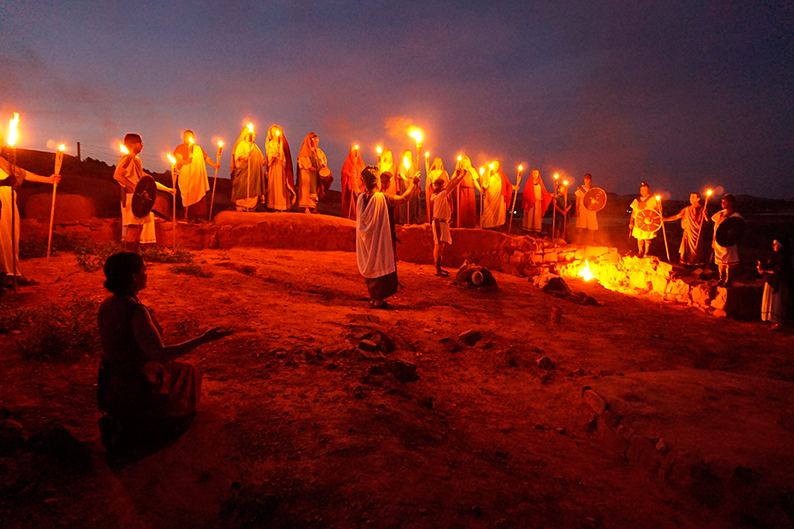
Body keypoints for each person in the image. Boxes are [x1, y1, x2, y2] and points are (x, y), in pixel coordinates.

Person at [96, 252, 232, 449]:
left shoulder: (108, 305)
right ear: (134, 276)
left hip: (110, 381)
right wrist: (203, 339)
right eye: (144, 270)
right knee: (188, 374)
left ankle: (126, 419)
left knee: (176, 370)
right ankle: (146, 423)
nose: (146, 274)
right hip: (133, 383)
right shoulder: (135, 311)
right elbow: (160, 354)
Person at [356, 165, 419, 308]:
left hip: (368, 239)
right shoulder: (381, 198)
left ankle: (373, 297)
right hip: (380, 238)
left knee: (372, 264)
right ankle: (379, 300)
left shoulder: (361, 197)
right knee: (381, 264)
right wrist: (412, 184)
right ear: (377, 182)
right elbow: (403, 199)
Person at [0, 141, 61, 287]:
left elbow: (23, 173)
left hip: (8, 205)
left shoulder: (2, 162)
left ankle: (13, 273)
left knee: (11, 240)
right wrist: (3, 182)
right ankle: (3, 276)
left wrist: (48, 179)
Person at [114, 133, 175, 253]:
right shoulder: (127, 158)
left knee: (139, 227)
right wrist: (134, 188)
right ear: (133, 144)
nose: (142, 145)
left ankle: (135, 255)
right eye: (140, 142)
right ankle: (129, 257)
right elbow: (117, 175)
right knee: (133, 228)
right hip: (131, 197)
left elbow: (148, 180)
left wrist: (168, 189)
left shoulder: (136, 160)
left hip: (139, 198)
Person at [173, 130, 219, 222]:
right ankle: (187, 217)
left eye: (190, 137)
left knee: (199, 196)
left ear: (193, 138)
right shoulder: (180, 148)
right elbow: (178, 159)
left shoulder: (198, 149)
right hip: (187, 178)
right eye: (186, 136)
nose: (188, 139)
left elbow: (206, 158)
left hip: (197, 178)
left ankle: (199, 218)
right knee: (187, 197)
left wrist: (214, 165)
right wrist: (186, 161)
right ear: (183, 138)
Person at [431, 165, 466, 276]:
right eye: (439, 185)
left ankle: (439, 267)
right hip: (439, 223)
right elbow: (452, 185)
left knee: (441, 245)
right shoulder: (440, 195)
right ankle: (437, 268)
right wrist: (462, 176)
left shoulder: (438, 195)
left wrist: (456, 175)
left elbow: (450, 184)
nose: (441, 187)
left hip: (443, 223)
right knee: (438, 245)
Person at [706, 193, 742, 286]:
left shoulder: (736, 216)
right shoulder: (719, 213)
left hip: (728, 243)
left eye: (725, 201)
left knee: (729, 262)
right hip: (718, 241)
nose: (722, 203)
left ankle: (728, 280)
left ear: (730, 203)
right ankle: (721, 279)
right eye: (722, 201)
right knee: (720, 261)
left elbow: (737, 229)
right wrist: (705, 215)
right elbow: (713, 224)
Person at [663, 192, 707, 265]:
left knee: (696, 248)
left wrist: (705, 215)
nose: (691, 199)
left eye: (693, 197)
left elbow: (707, 222)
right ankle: (685, 263)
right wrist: (666, 219)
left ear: (698, 199)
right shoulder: (687, 209)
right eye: (690, 197)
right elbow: (677, 216)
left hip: (697, 232)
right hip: (688, 231)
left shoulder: (702, 209)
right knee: (686, 248)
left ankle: (696, 264)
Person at [757, 239, 792, 330]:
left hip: (779, 283)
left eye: (775, 244)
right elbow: (770, 267)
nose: (773, 246)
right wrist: (761, 267)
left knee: (777, 302)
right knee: (770, 302)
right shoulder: (774, 256)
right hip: (770, 281)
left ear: (780, 246)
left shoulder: (785, 258)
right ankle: (771, 320)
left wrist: (765, 271)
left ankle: (778, 323)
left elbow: (781, 271)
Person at [230, 125, 265, 212]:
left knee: (253, 189)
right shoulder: (241, 145)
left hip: (254, 175)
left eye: (254, 134)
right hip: (244, 173)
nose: (254, 136)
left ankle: (250, 207)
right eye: (252, 134)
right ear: (246, 135)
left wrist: (266, 162)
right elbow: (238, 157)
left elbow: (260, 160)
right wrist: (246, 156)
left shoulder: (255, 147)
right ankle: (241, 206)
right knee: (243, 188)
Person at [264, 125, 296, 212]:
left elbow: (286, 157)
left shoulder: (282, 144)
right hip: (273, 168)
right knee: (273, 186)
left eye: (276, 132)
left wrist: (280, 157)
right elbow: (268, 156)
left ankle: (281, 206)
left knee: (281, 186)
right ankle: (274, 206)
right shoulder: (270, 144)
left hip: (281, 168)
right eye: (273, 132)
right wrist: (272, 157)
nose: (274, 134)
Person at [629, 182, 659, 257]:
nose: (642, 191)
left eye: (644, 190)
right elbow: (633, 212)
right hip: (638, 222)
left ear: (648, 190)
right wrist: (631, 222)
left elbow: (657, 211)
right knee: (639, 238)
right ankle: (640, 251)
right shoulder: (636, 200)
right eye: (641, 190)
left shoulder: (653, 200)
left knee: (647, 238)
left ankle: (647, 252)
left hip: (648, 222)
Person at [297, 133, 322, 213]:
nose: (316, 143)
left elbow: (322, 160)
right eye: (315, 141)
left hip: (315, 174)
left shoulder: (317, 151)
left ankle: (314, 207)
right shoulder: (305, 151)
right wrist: (308, 166)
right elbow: (301, 161)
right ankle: (307, 208)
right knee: (306, 191)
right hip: (307, 174)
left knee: (315, 190)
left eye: (317, 141)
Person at [521, 169, 552, 234]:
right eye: (534, 173)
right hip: (531, 203)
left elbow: (544, 192)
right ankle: (528, 230)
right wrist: (527, 201)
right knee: (530, 216)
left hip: (538, 203)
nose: (535, 175)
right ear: (531, 174)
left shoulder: (540, 183)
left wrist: (550, 195)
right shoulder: (529, 183)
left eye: (537, 173)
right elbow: (526, 193)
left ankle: (536, 231)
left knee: (537, 216)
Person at [341, 146, 366, 220]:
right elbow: (344, 172)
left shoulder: (359, 164)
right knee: (351, 203)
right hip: (350, 185)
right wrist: (348, 174)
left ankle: (358, 217)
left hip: (358, 186)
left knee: (358, 201)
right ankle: (351, 216)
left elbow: (363, 172)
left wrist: (361, 177)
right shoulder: (348, 161)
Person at [455, 156, 481, 228]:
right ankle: (461, 224)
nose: (464, 163)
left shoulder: (472, 170)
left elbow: (475, 181)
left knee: (471, 208)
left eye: (466, 161)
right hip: (462, 191)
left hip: (470, 191)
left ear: (468, 162)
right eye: (463, 161)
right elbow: (453, 179)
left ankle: (470, 224)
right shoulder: (459, 170)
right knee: (462, 207)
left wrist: (480, 189)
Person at [396, 150, 420, 225]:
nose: (409, 157)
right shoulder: (402, 164)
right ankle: (404, 219)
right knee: (404, 201)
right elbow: (401, 174)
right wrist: (407, 180)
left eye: (410, 155)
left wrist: (414, 180)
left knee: (413, 201)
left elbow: (416, 174)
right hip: (405, 183)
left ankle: (412, 219)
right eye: (407, 155)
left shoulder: (413, 165)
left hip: (413, 184)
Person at [575, 174, 599, 244]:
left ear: (590, 180)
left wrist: (596, 207)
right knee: (581, 225)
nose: (587, 180)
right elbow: (578, 200)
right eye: (585, 179)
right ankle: (578, 240)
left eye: (588, 179)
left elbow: (597, 199)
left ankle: (591, 240)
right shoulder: (580, 189)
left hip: (591, 208)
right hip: (582, 208)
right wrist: (576, 209)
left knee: (592, 225)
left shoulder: (593, 189)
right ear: (584, 179)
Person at [425, 157, 449, 223]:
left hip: (443, 193)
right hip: (434, 192)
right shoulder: (432, 173)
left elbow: (447, 183)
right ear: (434, 164)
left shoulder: (445, 172)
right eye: (437, 162)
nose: (438, 164)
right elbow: (428, 184)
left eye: (440, 162)